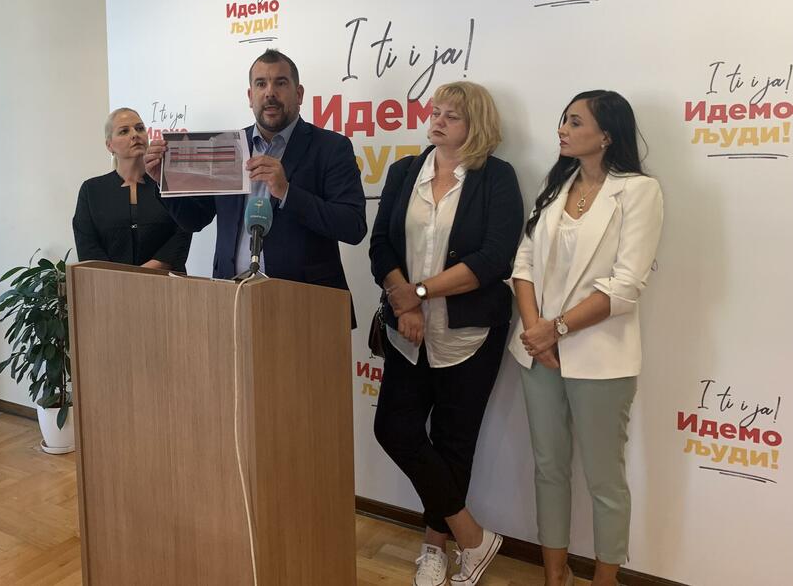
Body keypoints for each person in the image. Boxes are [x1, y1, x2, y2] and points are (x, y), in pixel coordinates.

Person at [369, 81, 524, 586]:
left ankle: (435, 548)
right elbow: (380, 246)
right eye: (435, 111)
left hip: (471, 335)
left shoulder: (497, 178)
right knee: (393, 429)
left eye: (451, 116)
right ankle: (473, 537)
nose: (437, 121)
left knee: (454, 442)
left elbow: (494, 259)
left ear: (476, 126)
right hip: (407, 331)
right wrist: (404, 301)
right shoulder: (403, 172)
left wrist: (419, 292)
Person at [509, 90, 663, 586]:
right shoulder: (555, 185)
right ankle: (555, 576)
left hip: (600, 359)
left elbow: (625, 286)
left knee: (604, 480)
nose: (563, 129)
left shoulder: (639, 192)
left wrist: (554, 329)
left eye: (575, 122)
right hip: (539, 356)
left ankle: (604, 579)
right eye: (564, 120)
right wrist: (536, 332)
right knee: (549, 469)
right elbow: (523, 264)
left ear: (607, 135)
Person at [143, 49, 367, 322]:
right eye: (261, 84)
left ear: (298, 94)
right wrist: (162, 181)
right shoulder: (228, 147)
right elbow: (195, 220)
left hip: (307, 311)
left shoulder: (331, 148)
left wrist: (287, 192)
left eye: (280, 83)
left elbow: (353, 226)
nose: (270, 92)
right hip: (233, 302)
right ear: (250, 97)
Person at [73, 107, 192, 271]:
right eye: (124, 131)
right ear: (109, 145)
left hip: (165, 282)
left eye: (139, 128)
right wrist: (121, 278)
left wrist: (143, 273)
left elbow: (183, 233)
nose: (135, 134)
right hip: (108, 283)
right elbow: (87, 245)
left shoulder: (167, 184)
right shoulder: (91, 190)